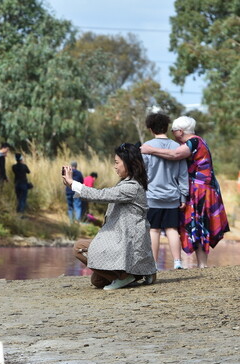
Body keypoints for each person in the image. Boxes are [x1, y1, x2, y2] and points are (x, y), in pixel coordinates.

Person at [140, 116, 229, 269]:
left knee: (157, 229)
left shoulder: (191, 142)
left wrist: (150, 150)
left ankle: (158, 264)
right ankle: (184, 262)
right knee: (186, 227)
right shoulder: (190, 142)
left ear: (180, 131)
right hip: (191, 192)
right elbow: (181, 170)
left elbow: (174, 155)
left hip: (199, 191)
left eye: (174, 131)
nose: (173, 134)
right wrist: (182, 195)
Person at [65, 143, 156, 290]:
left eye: (117, 162)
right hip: (122, 242)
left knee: (79, 247)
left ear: (129, 163)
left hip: (126, 243)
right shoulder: (128, 183)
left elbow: (102, 195)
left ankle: (124, 277)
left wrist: (73, 184)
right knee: (97, 281)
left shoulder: (131, 187)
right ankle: (136, 274)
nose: (115, 166)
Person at [142, 113, 189, 270]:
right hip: (172, 196)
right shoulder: (178, 148)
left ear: (150, 129)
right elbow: (183, 174)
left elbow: (142, 173)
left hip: (152, 195)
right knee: (172, 229)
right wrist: (183, 195)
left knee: (154, 230)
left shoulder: (146, 147)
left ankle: (154, 264)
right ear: (167, 127)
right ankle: (177, 262)